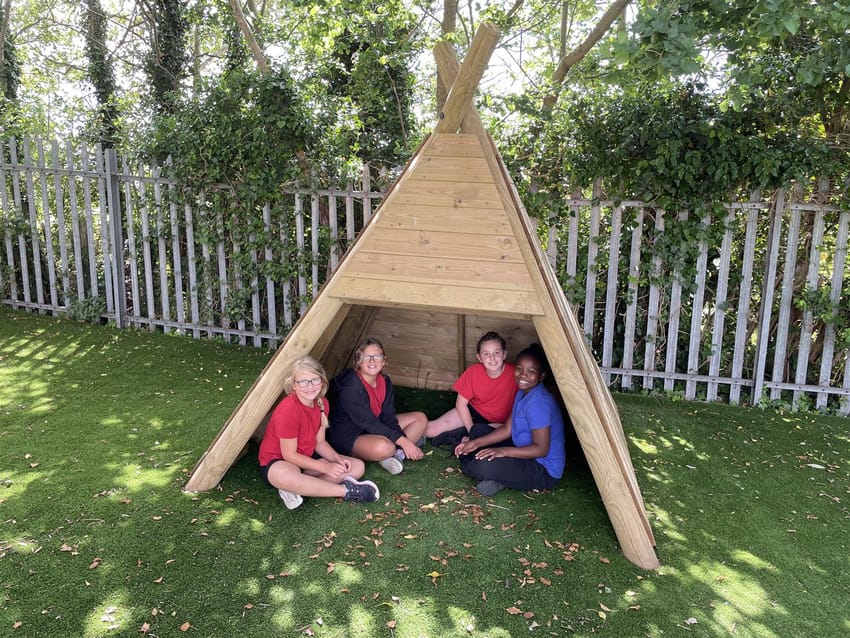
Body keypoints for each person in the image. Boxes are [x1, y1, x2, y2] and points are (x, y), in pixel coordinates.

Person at [258, 356, 380, 509]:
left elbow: (320, 443)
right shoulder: (288, 410)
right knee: (286, 475)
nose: (310, 386)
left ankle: (298, 489)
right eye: (302, 382)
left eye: (315, 380)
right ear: (294, 385)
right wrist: (325, 468)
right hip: (280, 462)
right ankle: (347, 491)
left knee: (356, 466)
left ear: (322, 381)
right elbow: (289, 455)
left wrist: (337, 458)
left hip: (307, 459)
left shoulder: (322, 403)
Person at [454, 343, 565, 496]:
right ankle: (501, 476)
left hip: (541, 468)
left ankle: (498, 477)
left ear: (542, 376)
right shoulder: (523, 391)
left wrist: (501, 451)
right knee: (478, 431)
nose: (523, 375)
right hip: (520, 449)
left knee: (478, 465)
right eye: (519, 368)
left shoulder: (539, 403)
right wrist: (474, 443)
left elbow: (541, 449)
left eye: (531, 371)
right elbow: (507, 429)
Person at [327, 337, 428, 475]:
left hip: (373, 425)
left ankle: (398, 454)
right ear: (358, 361)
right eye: (366, 357)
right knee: (386, 447)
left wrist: (401, 438)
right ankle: (393, 451)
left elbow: (388, 416)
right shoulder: (350, 389)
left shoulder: (384, 381)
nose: (372, 361)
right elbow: (370, 424)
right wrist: (404, 441)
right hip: (349, 436)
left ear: (384, 360)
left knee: (420, 418)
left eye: (377, 356)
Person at [425, 331, 517, 444]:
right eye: (486, 354)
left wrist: (476, 435)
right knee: (431, 431)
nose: (492, 358)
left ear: (504, 354)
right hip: (472, 412)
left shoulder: (515, 374)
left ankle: (461, 436)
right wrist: (472, 431)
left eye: (496, 353)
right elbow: (461, 404)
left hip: (499, 423)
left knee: (493, 439)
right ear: (479, 357)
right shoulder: (473, 371)